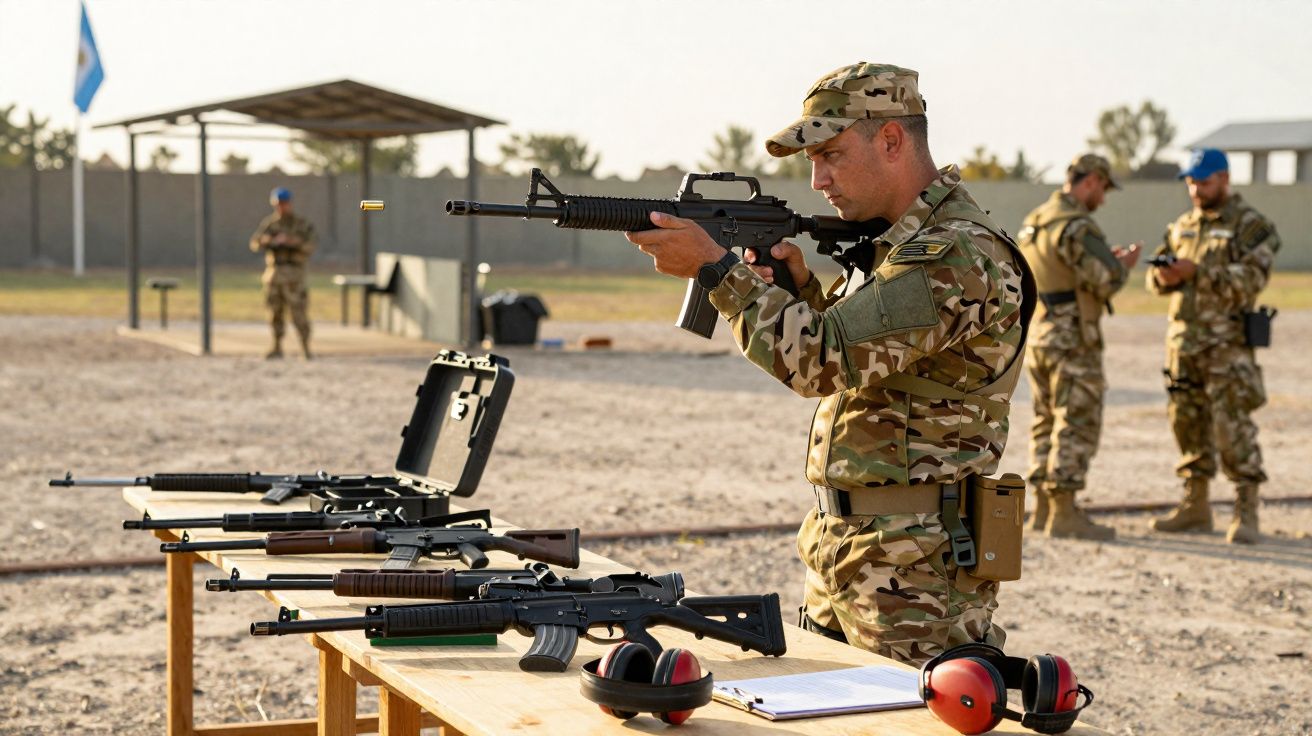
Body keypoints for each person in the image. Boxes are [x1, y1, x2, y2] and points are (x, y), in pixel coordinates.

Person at [625, 62, 1033, 665]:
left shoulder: (954, 254)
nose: (817, 179)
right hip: (851, 549)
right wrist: (802, 295)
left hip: (915, 568)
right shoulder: (894, 249)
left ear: (891, 140)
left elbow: (819, 361)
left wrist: (717, 271)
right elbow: (876, 369)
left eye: (832, 154)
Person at [1146, 148, 1279, 544]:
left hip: (1228, 347)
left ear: (1223, 178)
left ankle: (1246, 509)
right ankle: (1196, 505)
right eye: (1190, 182)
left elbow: (1253, 278)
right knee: (1186, 424)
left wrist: (1198, 272)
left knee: (1231, 426)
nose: (1196, 189)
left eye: (1203, 182)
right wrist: (1165, 277)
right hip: (1183, 343)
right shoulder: (1183, 225)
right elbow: (1157, 280)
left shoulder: (1250, 225)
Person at [1019, 154, 1140, 540]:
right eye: (1102, 189)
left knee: (1045, 419)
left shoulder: (1036, 220)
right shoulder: (1076, 226)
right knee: (1076, 420)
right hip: (1073, 338)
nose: (1102, 199)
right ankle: (1065, 511)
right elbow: (1104, 279)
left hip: (1040, 332)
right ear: (1090, 182)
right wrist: (1123, 266)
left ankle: (1042, 507)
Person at [249, 187, 316, 359]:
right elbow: (255, 243)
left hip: (294, 275)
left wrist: (292, 242)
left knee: (299, 312)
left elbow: (311, 245)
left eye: (284, 204)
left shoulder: (301, 224)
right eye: (278, 205)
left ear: (290, 204)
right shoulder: (270, 224)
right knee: (274, 312)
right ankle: (277, 346)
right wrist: (270, 241)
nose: (281, 208)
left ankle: (305, 348)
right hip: (274, 275)